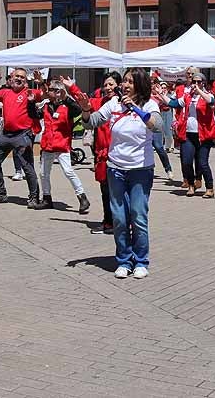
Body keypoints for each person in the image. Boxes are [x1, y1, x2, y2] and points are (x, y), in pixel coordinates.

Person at [86, 68, 161, 279]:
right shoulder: (114, 104)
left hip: (140, 170)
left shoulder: (149, 104)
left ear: (140, 84)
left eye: (130, 81)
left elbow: (157, 126)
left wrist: (136, 108)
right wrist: (84, 110)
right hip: (116, 168)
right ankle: (124, 260)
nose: (125, 85)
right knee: (119, 218)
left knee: (138, 216)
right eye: (125, 81)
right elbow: (93, 121)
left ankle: (140, 261)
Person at [0, 69, 41, 206]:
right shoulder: (5, 92)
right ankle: (0, 193)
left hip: (22, 135)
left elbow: (44, 94)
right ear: (11, 78)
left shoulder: (29, 92)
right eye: (17, 76)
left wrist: (41, 82)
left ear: (25, 81)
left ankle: (34, 197)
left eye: (22, 77)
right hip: (5, 135)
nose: (19, 79)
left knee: (27, 167)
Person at [33, 77, 90, 213]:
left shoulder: (68, 106)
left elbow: (77, 110)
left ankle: (82, 197)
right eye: (50, 90)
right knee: (43, 173)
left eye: (52, 90)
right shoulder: (46, 106)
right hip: (47, 145)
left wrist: (67, 98)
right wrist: (31, 102)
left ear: (60, 92)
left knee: (68, 171)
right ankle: (47, 198)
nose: (49, 92)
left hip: (61, 145)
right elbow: (34, 115)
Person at [79, 71, 123, 234]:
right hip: (102, 153)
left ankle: (122, 223)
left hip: (119, 154)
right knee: (105, 190)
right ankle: (109, 222)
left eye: (111, 84)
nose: (108, 87)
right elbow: (83, 103)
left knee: (118, 192)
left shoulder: (123, 103)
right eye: (105, 85)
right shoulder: (99, 103)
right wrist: (71, 88)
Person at [168, 72, 215, 197]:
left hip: (203, 136)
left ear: (203, 83)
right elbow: (174, 104)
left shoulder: (207, 95)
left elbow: (211, 101)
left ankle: (210, 188)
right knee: (187, 162)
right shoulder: (188, 96)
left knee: (202, 163)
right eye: (193, 82)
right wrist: (160, 94)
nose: (195, 84)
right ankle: (191, 185)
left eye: (198, 82)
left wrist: (199, 91)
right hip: (188, 134)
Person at [150, 79, 174, 179]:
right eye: (150, 84)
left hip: (156, 125)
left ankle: (168, 169)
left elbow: (168, 104)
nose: (152, 86)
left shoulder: (158, 96)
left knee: (159, 147)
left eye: (153, 84)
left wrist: (161, 93)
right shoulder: (143, 95)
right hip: (143, 125)